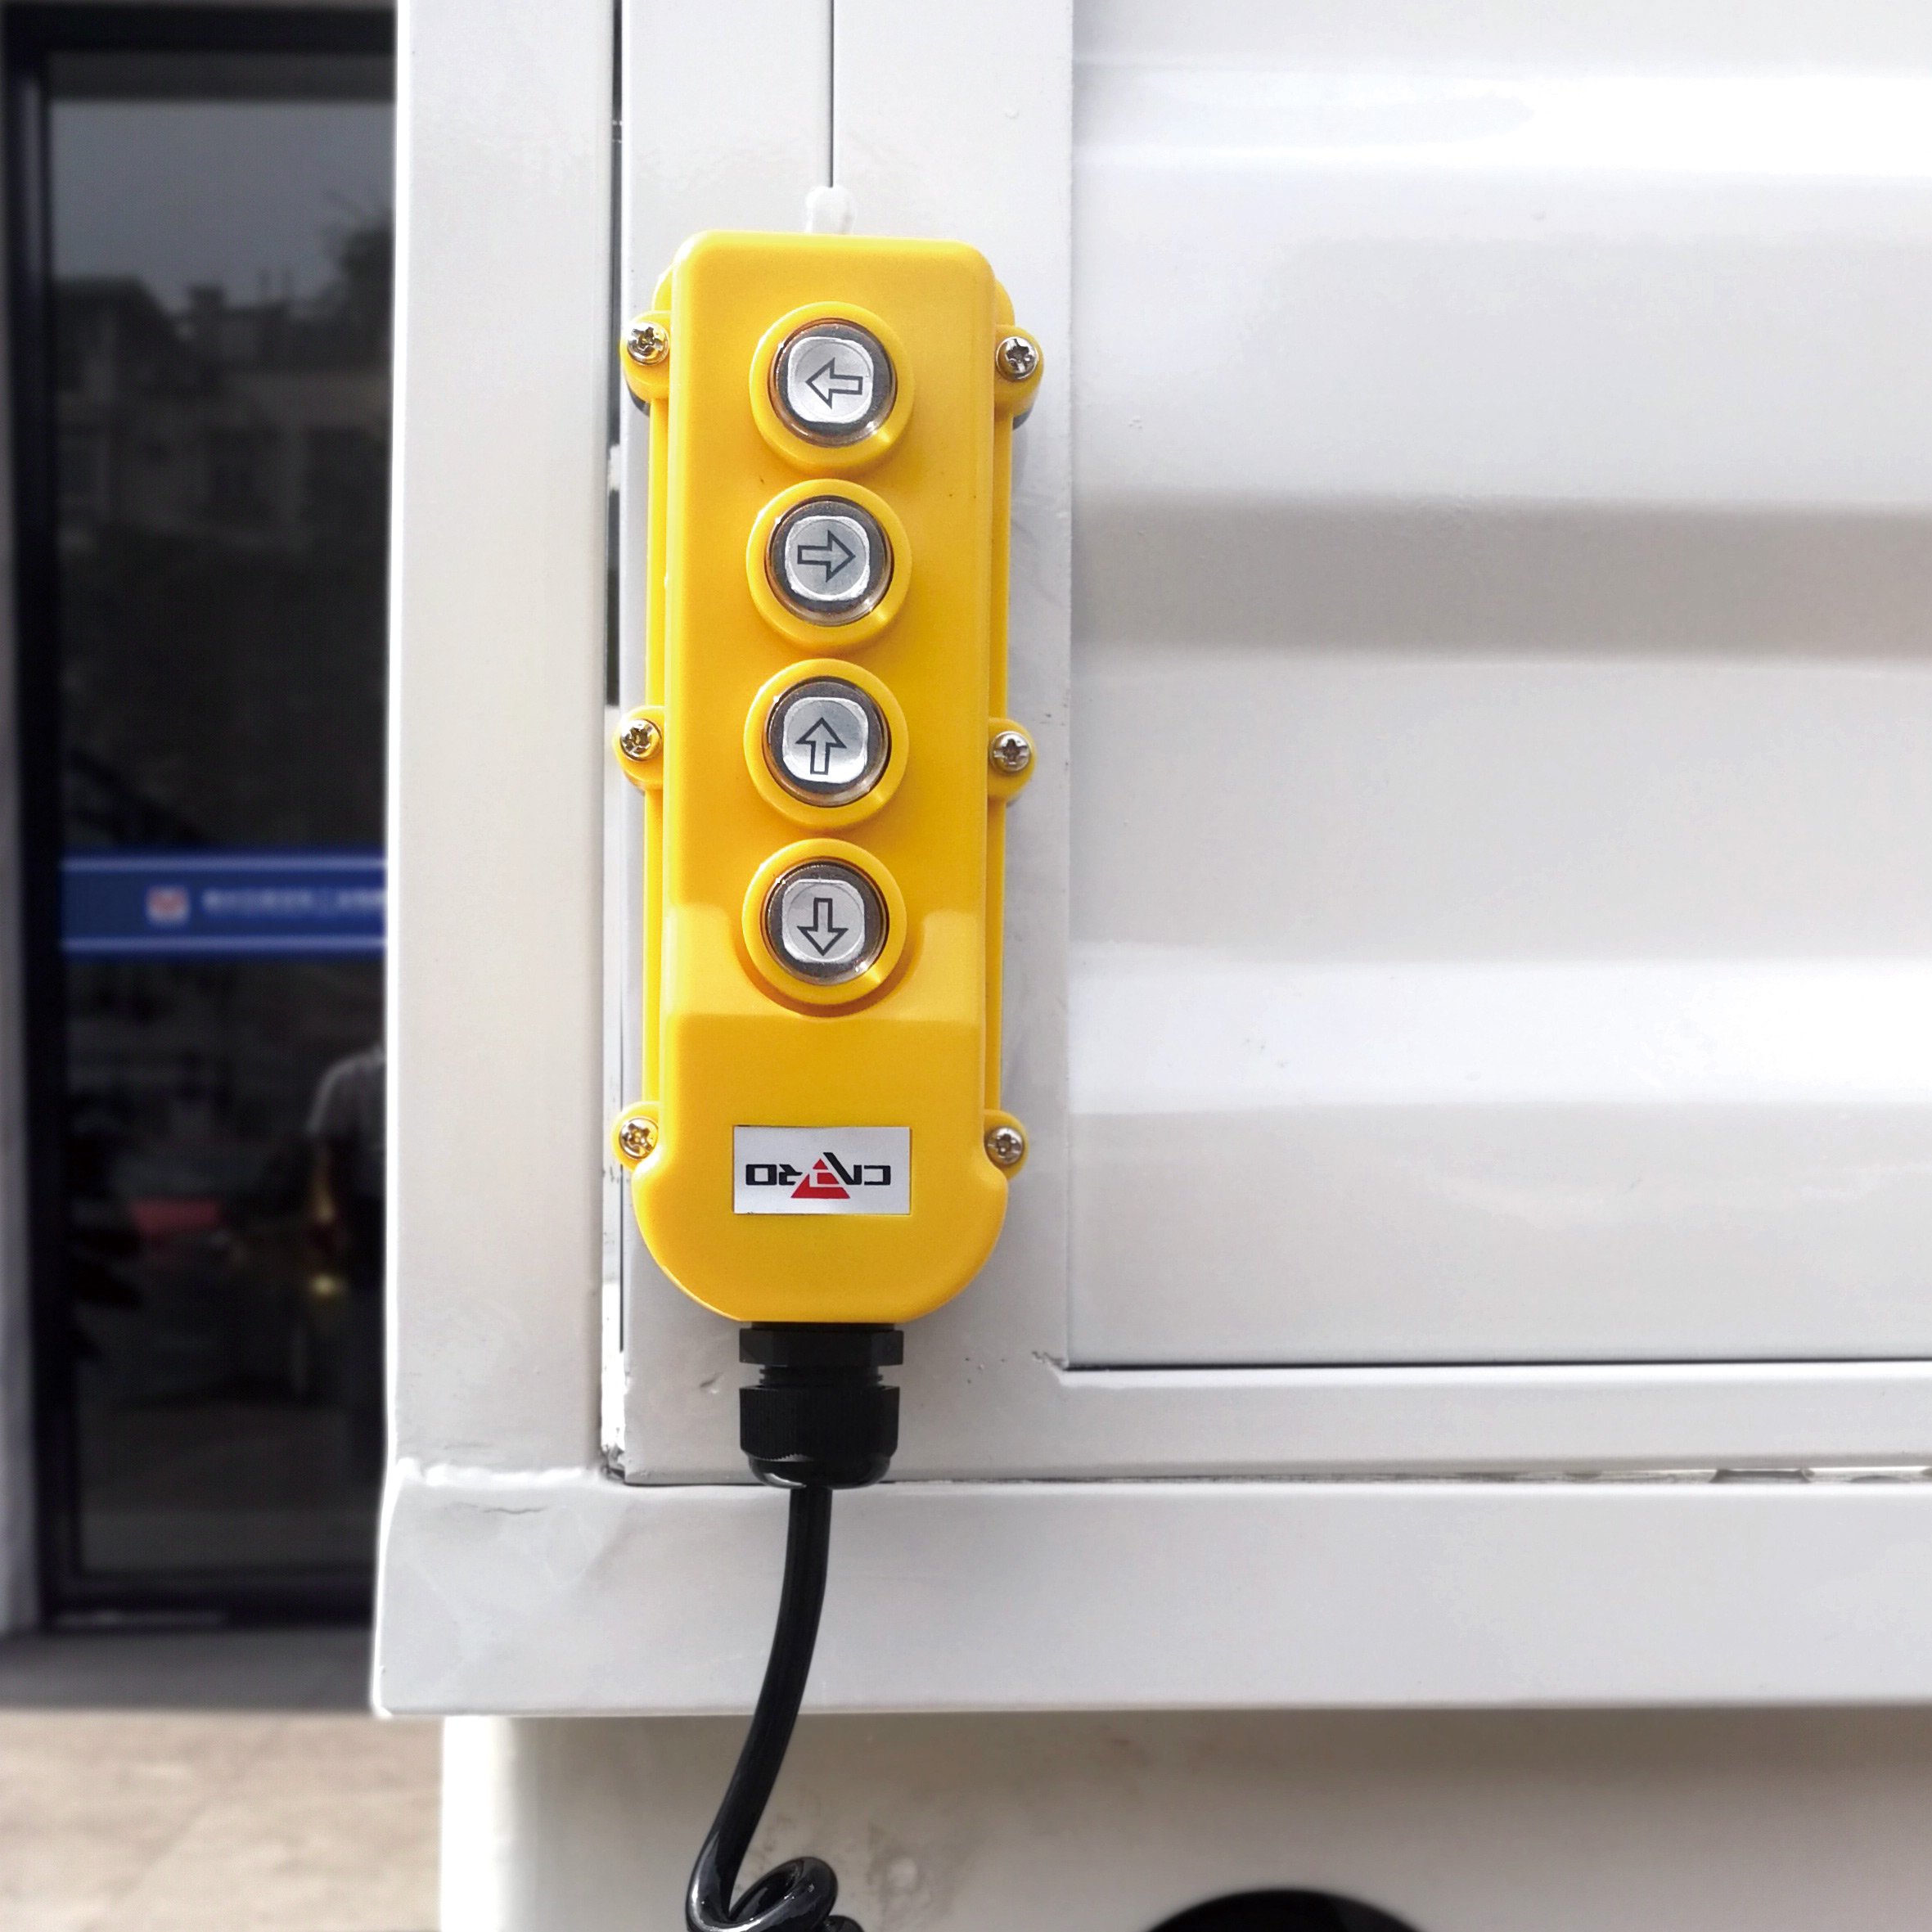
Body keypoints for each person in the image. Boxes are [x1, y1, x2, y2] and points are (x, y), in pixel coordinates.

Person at [306, 1041, 385, 1480]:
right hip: (366, 1219)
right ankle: (365, 1455)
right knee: (365, 1343)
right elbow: (330, 1159)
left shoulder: (354, 1080)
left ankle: (367, 1454)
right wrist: (339, 1226)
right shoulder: (350, 1080)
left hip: (383, 1217)